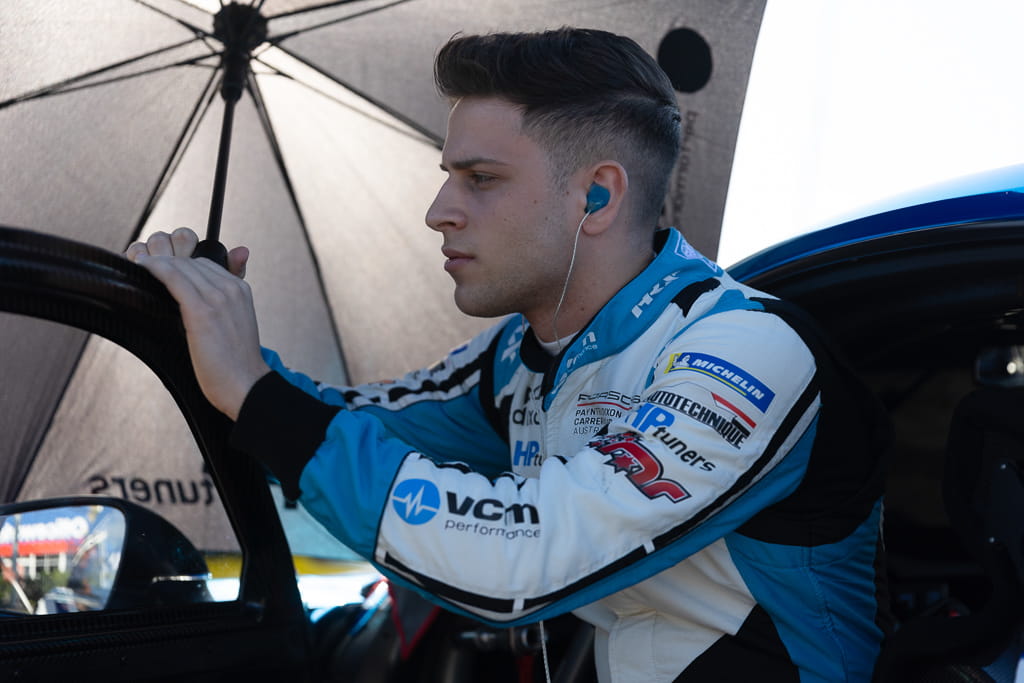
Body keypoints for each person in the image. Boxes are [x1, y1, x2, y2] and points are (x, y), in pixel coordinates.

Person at [126, 27, 890, 682]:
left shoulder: (747, 350)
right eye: (448, 178)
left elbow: (523, 557)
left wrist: (254, 392)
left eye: (480, 179)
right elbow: (335, 426)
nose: (438, 212)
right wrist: (207, 338)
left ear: (597, 196)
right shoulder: (518, 357)